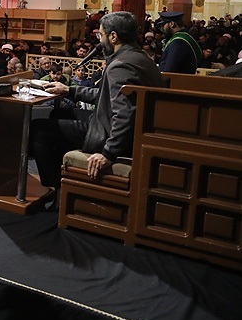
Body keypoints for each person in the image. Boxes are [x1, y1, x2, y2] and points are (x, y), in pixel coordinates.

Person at [31, 11, 163, 188]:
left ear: (113, 37)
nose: (100, 41)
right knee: (58, 112)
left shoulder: (120, 66)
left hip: (109, 133)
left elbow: (125, 114)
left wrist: (109, 153)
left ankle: (57, 188)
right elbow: (107, 96)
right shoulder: (140, 57)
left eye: (101, 35)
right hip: (113, 123)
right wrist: (70, 90)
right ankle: (64, 178)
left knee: (39, 129)